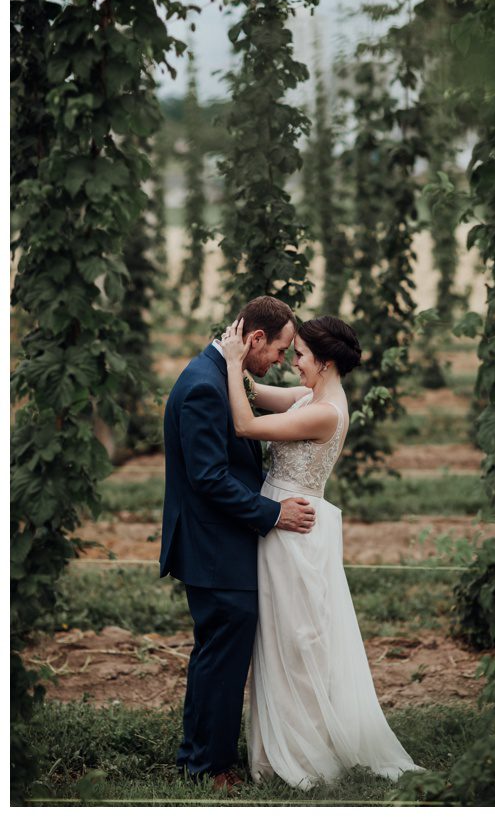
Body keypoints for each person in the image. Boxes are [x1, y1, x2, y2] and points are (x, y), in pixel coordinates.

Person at [219, 313, 422, 790]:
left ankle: (304, 754)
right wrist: (235, 353)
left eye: (302, 356)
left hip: (295, 533)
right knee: (281, 637)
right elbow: (256, 393)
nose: (294, 363)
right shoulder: (311, 397)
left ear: (326, 363)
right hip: (281, 524)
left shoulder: (326, 411)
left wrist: (230, 365)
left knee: (297, 641)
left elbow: (246, 425)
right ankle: (281, 746)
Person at [160, 295, 317, 790]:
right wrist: (273, 513)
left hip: (220, 544)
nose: (280, 361)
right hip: (214, 549)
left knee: (218, 654)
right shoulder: (205, 386)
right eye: (279, 350)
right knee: (222, 658)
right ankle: (207, 767)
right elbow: (209, 477)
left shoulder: (218, 373)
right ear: (255, 339)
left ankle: (200, 756)